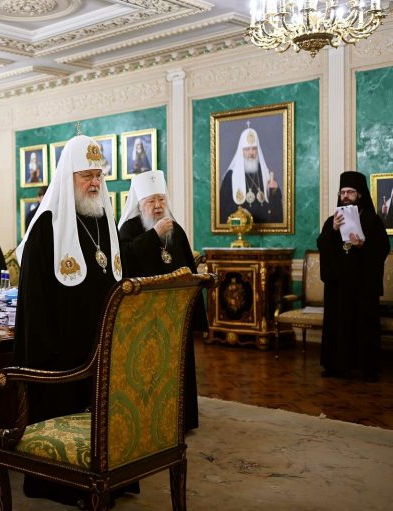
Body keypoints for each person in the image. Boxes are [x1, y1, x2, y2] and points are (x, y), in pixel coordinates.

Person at [14, 134, 123, 507]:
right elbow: (35, 303)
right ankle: (61, 484)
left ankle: (112, 480)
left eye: (98, 174)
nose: (94, 183)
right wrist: (47, 357)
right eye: (86, 175)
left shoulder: (105, 219)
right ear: (68, 177)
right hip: (61, 353)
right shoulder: (47, 226)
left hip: (102, 345)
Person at [118, 170, 206, 431]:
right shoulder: (129, 229)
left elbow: (188, 268)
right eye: (151, 201)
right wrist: (153, 235)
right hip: (144, 316)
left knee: (179, 367)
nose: (157, 206)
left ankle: (182, 420)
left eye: (161, 200)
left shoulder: (175, 229)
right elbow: (126, 261)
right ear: (140, 204)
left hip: (175, 314)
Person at [317, 171, 389, 382]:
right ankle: (336, 366)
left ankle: (368, 368)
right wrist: (333, 230)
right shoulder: (332, 221)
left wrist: (363, 245)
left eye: (350, 192)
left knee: (363, 325)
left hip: (362, 285)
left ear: (359, 195)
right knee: (338, 325)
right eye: (343, 192)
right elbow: (321, 244)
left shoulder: (373, 221)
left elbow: (382, 249)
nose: (346, 196)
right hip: (338, 285)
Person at [219, 126, 283, 224]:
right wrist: (241, 213)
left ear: (258, 150)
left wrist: (275, 190)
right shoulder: (231, 176)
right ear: (241, 150)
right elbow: (223, 209)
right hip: (243, 228)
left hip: (264, 227)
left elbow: (274, 206)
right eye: (247, 149)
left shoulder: (265, 173)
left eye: (254, 149)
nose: (251, 153)